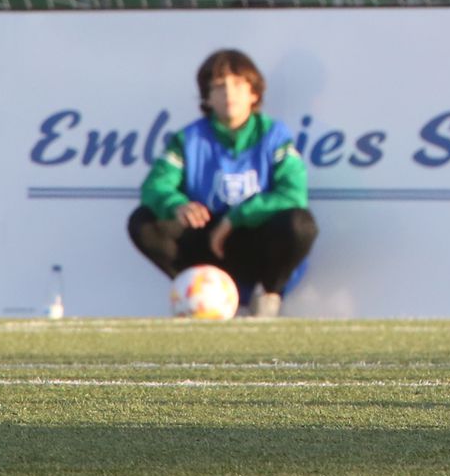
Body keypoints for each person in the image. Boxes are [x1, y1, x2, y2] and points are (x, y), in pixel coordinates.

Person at [128, 48, 318, 319]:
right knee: (143, 221)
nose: (229, 93)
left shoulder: (274, 134)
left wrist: (236, 218)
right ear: (206, 97)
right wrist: (177, 205)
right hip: (208, 241)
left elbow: (293, 194)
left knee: (300, 224)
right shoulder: (189, 139)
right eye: (218, 86)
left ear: (254, 94)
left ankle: (267, 297)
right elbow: (154, 187)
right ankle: (203, 293)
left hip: (255, 238)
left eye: (238, 85)